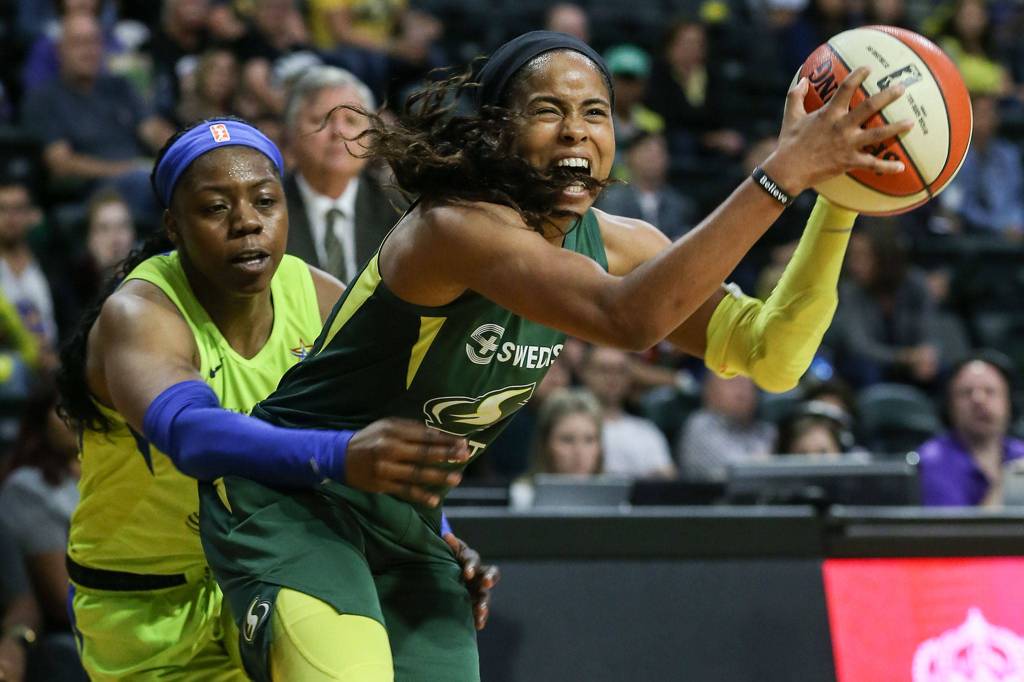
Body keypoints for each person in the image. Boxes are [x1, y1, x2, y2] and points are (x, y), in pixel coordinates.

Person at [190, 31, 911, 681]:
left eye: (596, 112)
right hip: (294, 500)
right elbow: (624, 317)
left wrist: (838, 195)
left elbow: (771, 356)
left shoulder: (621, 242)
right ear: (499, 132)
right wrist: (783, 170)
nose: (577, 130)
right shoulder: (455, 227)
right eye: (548, 111)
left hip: (404, 527)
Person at [57, 117, 495, 681]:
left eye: (266, 201)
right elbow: (192, 434)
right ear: (173, 225)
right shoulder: (140, 313)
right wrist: (340, 454)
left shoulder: (317, 294)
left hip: (266, 565)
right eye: (216, 208)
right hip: (148, 603)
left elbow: (385, 436)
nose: (247, 223)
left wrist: (439, 534)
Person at [19, 13, 174, 226]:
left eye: (94, 42)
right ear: (59, 51)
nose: (89, 51)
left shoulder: (119, 86)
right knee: (152, 184)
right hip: (93, 191)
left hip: (142, 177)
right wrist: (125, 169)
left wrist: (184, 150)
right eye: (79, 43)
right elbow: (61, 164)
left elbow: (152, 129)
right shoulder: (45, 99)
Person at [283, 66, 399, 282]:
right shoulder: (270, 208)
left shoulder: (398, 208)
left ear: (371, 137)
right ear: (291, 132)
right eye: (321, 120)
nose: (338, 132)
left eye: (351, 121)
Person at [826, 219, 940, 388]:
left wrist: (926, 355)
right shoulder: (849, 291)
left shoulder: (916, 285)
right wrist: (906, 357)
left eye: (862, 256)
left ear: (885, 257)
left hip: (911, 364)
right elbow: (859, 346)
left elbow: (931, 333)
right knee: (864, 368)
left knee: (941, 371)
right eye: (852, 256)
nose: (854, 264)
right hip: (867, 366)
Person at [918, 352, 1024, 507]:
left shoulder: (1020, 453)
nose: (979, 401)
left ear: (1010, 404)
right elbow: (956, 530)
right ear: (949, 406)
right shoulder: (933, 460)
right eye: (966, 393)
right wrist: (1007, 483)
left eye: (990, 391)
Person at [580, 345, 676, 478]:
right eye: (604, 370)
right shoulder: (569, 425)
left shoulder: (647, 431)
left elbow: (666, 478)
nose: (612, 378)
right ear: (584, 373)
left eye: (620, 371)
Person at [509, 387, 603, 508]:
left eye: (589, 440)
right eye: (567, 440)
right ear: (545, 443)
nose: (579, 452)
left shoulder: (616, 495)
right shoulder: (524, 494)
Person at [596, 132, 696, 240]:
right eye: (647, 150)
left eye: (659, 152)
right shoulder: (612, 199)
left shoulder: (680, 204)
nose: (652, 158)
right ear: (628, 156)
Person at [677, 373, 776, 481]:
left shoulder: (764, 429)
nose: (743, 390)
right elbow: (740, 473)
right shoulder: (700, 425)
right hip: (709, 496)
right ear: (710, 392)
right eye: (733, 382)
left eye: (748, 384)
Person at [0, 178, 57, 355]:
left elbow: (70, 318)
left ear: (32, 215)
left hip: (54, 359)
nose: (11, 217)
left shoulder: (51, 262)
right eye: (2, 209)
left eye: (18, 209)